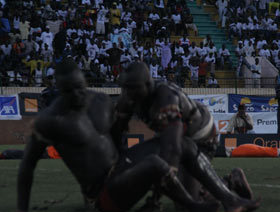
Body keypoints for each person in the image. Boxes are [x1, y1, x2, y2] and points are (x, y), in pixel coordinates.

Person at [17, 58, 221, 212]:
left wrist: (130, 162)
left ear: (85, 82)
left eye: (80, 87)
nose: (77, 94)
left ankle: (227, 196)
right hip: (101, 192)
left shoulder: (101, 101)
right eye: (69, 91)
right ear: (59, 90)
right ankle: (192, 204)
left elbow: (118, 135)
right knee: (155, 164)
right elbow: (27, 167)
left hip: (120, 170)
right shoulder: (50, 121)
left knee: (181, 143)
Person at [113, 62, 260, 212]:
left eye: (133, 88)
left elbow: (173, 148)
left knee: (188, 202)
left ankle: (230, 183)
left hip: (201, 137)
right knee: (179, 191)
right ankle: (225, 186)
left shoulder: (165, 97)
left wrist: (156, 196)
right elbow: (117, 131)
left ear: (147, 84)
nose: (129, 92)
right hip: (179, 137)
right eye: (125, 87)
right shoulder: (128, 98)